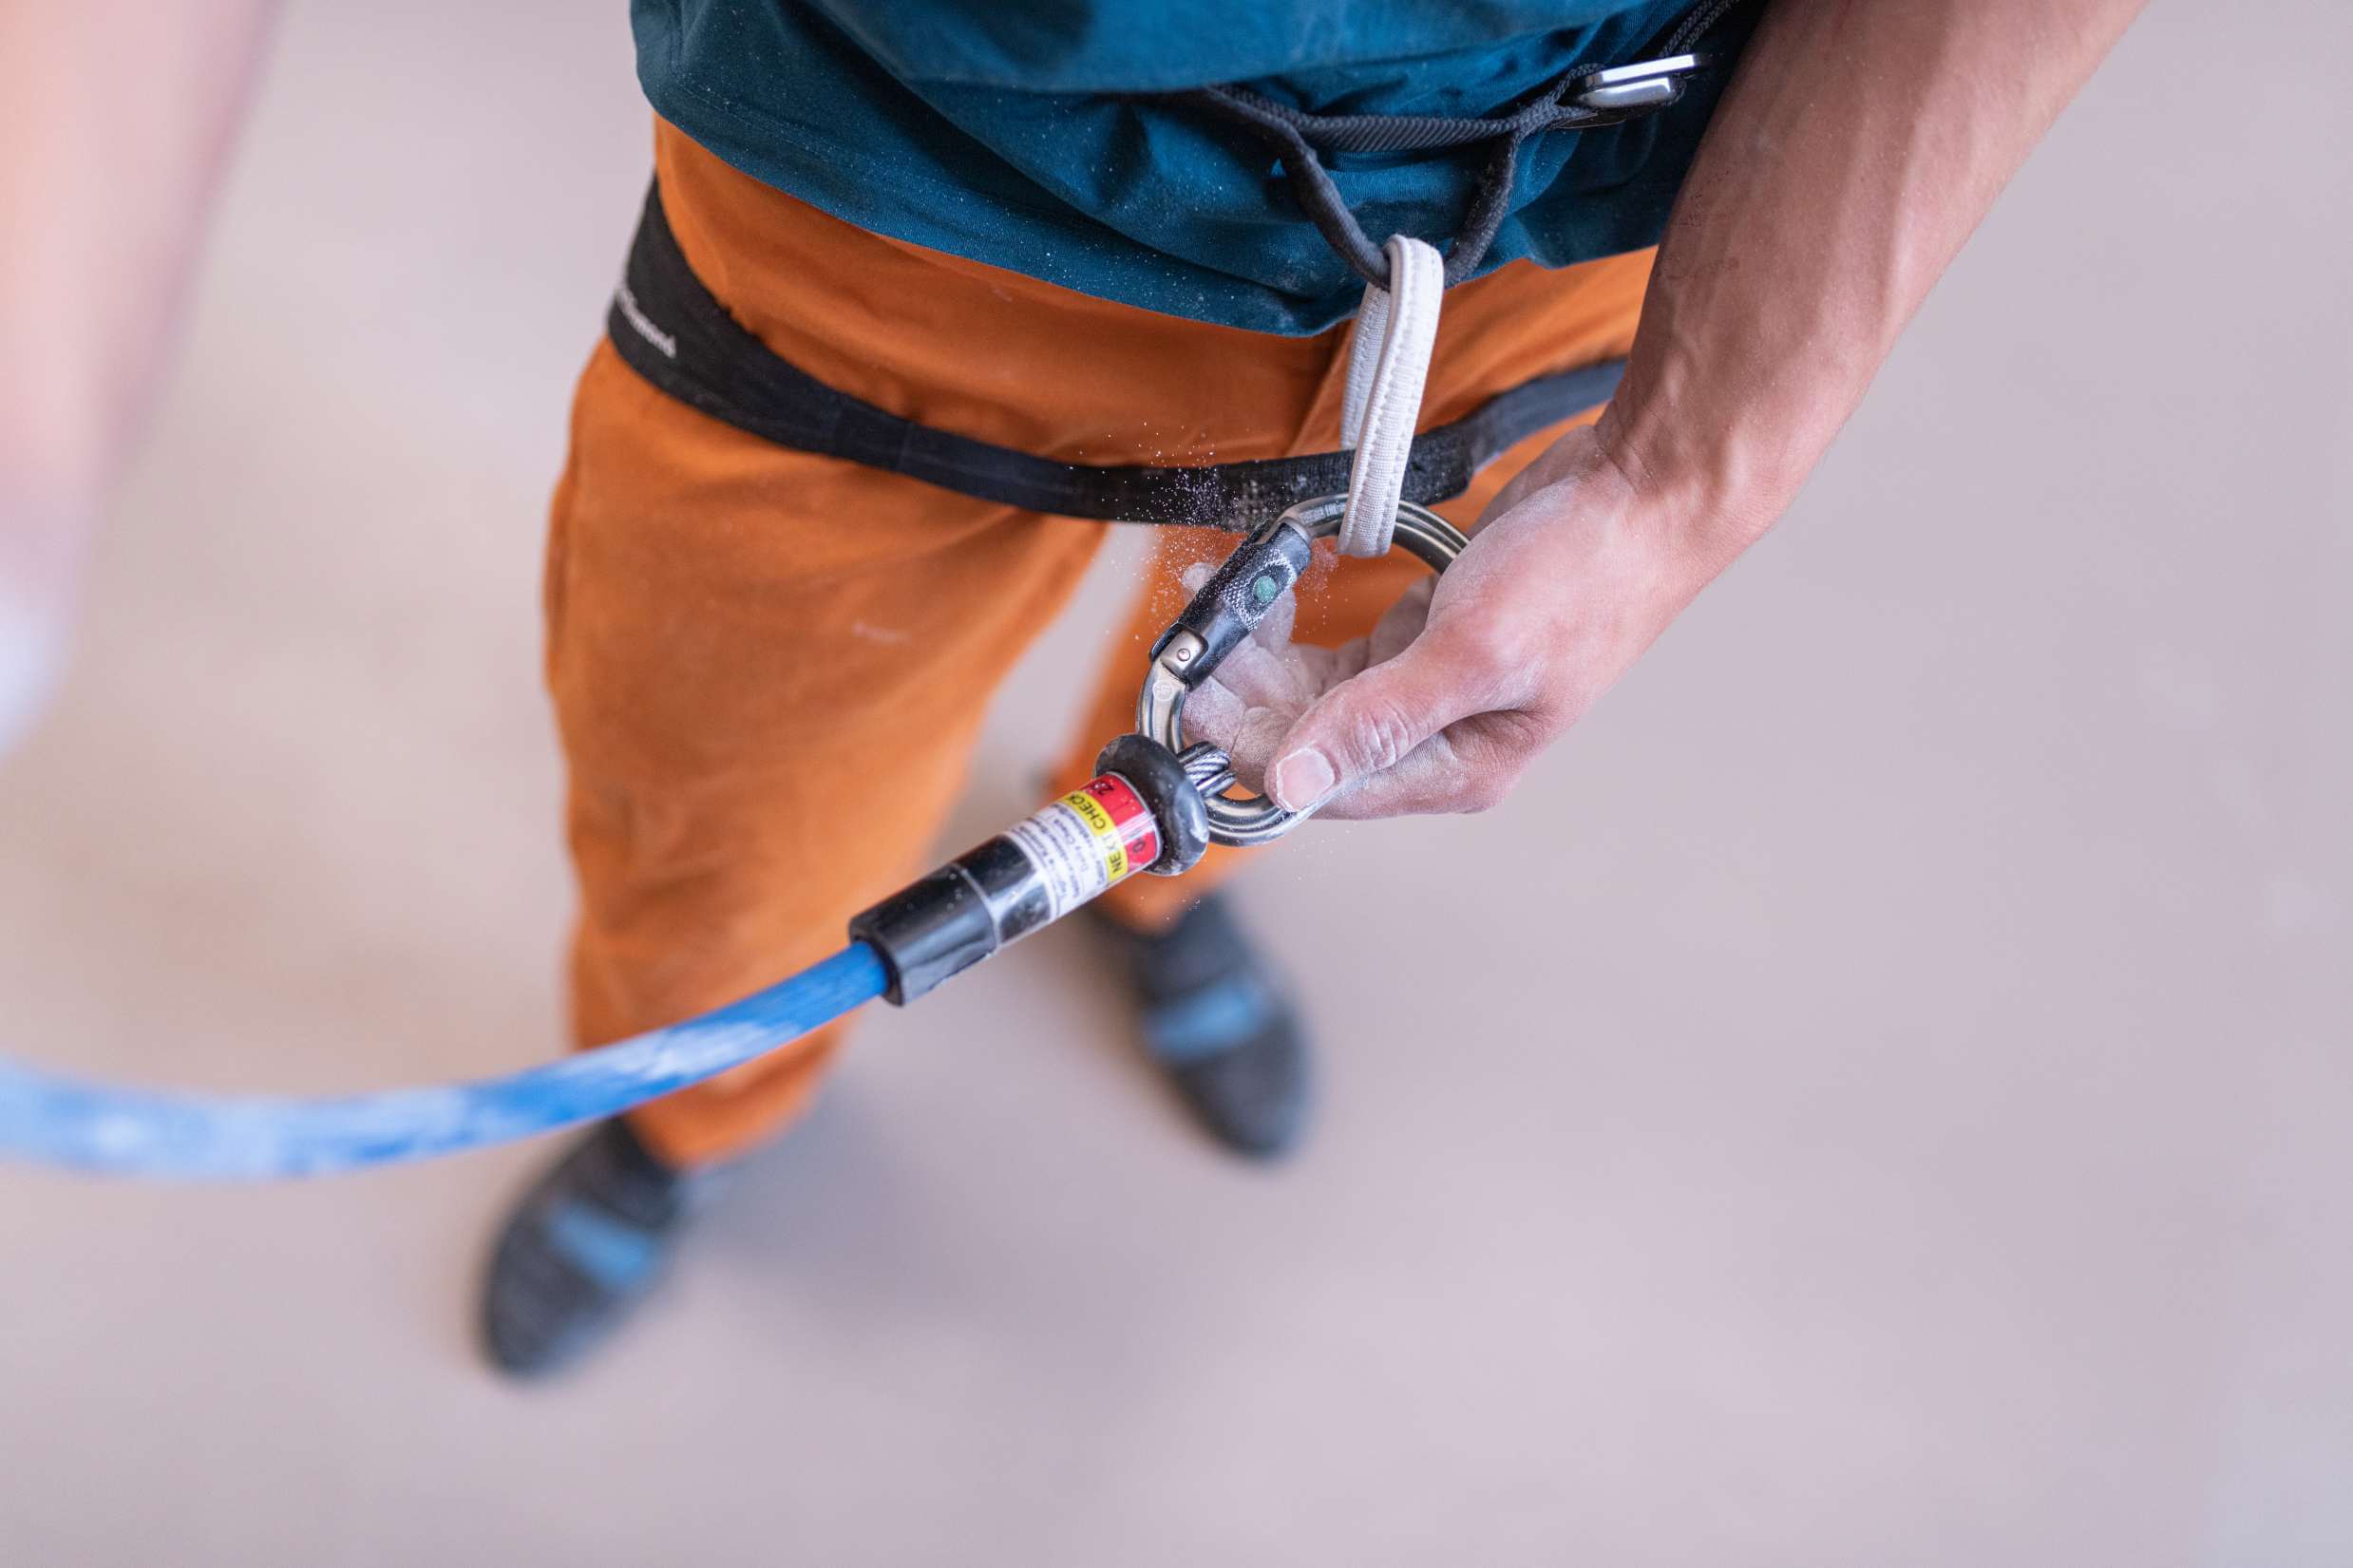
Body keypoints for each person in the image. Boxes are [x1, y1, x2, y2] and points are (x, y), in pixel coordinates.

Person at [4, 0, 2142, 1376]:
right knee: (726, 787)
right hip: (901, 182)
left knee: (1298, 713)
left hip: (1572, 207)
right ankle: (692, 1106)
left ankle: (1160, 895)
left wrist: (1688, 471)